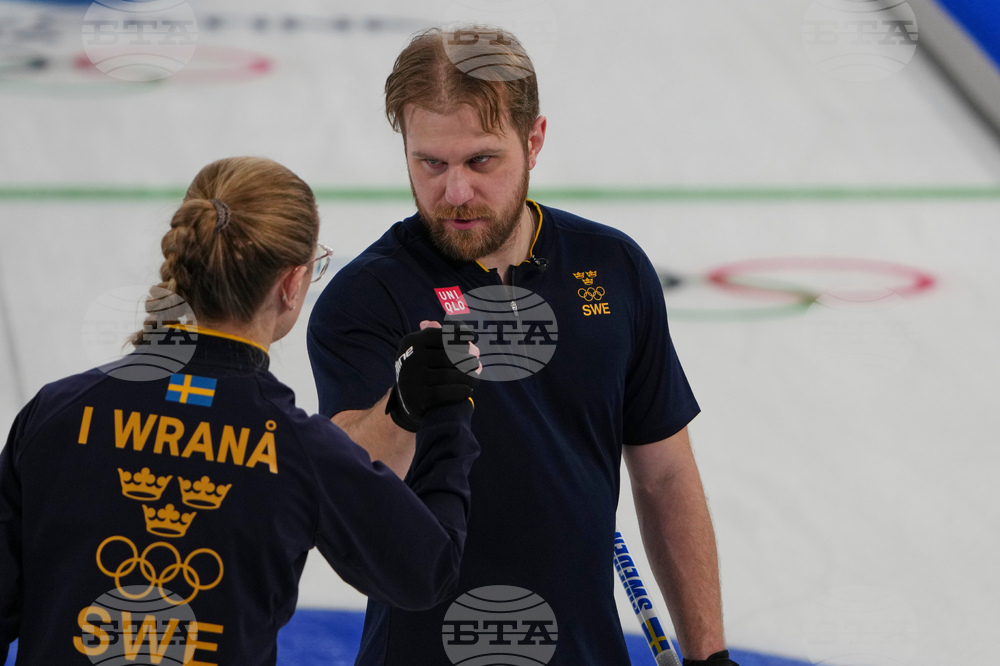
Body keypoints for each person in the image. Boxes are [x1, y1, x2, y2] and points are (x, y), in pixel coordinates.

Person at [306, 27, 738, 666]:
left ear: (533, 140)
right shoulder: (368, 297)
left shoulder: (613, 269)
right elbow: (347, 490)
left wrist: (708, 654)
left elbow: (666, 474)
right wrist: (404, 406)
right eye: (431, 163)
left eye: (481, 161)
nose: (454, 192)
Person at [0, 156, 482, 664]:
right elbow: (427, 571)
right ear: (291, 285)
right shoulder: (299, 450)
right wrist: (446, 409)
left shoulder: (57, 413)